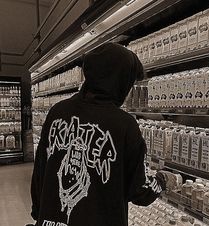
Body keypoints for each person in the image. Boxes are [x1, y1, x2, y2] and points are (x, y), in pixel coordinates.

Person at [29, 42, 179, 226]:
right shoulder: (124, 124)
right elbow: (139, 191)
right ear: (120, 81)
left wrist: (39, 212)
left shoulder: (57, 112)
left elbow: (40, 171)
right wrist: (162, 180)